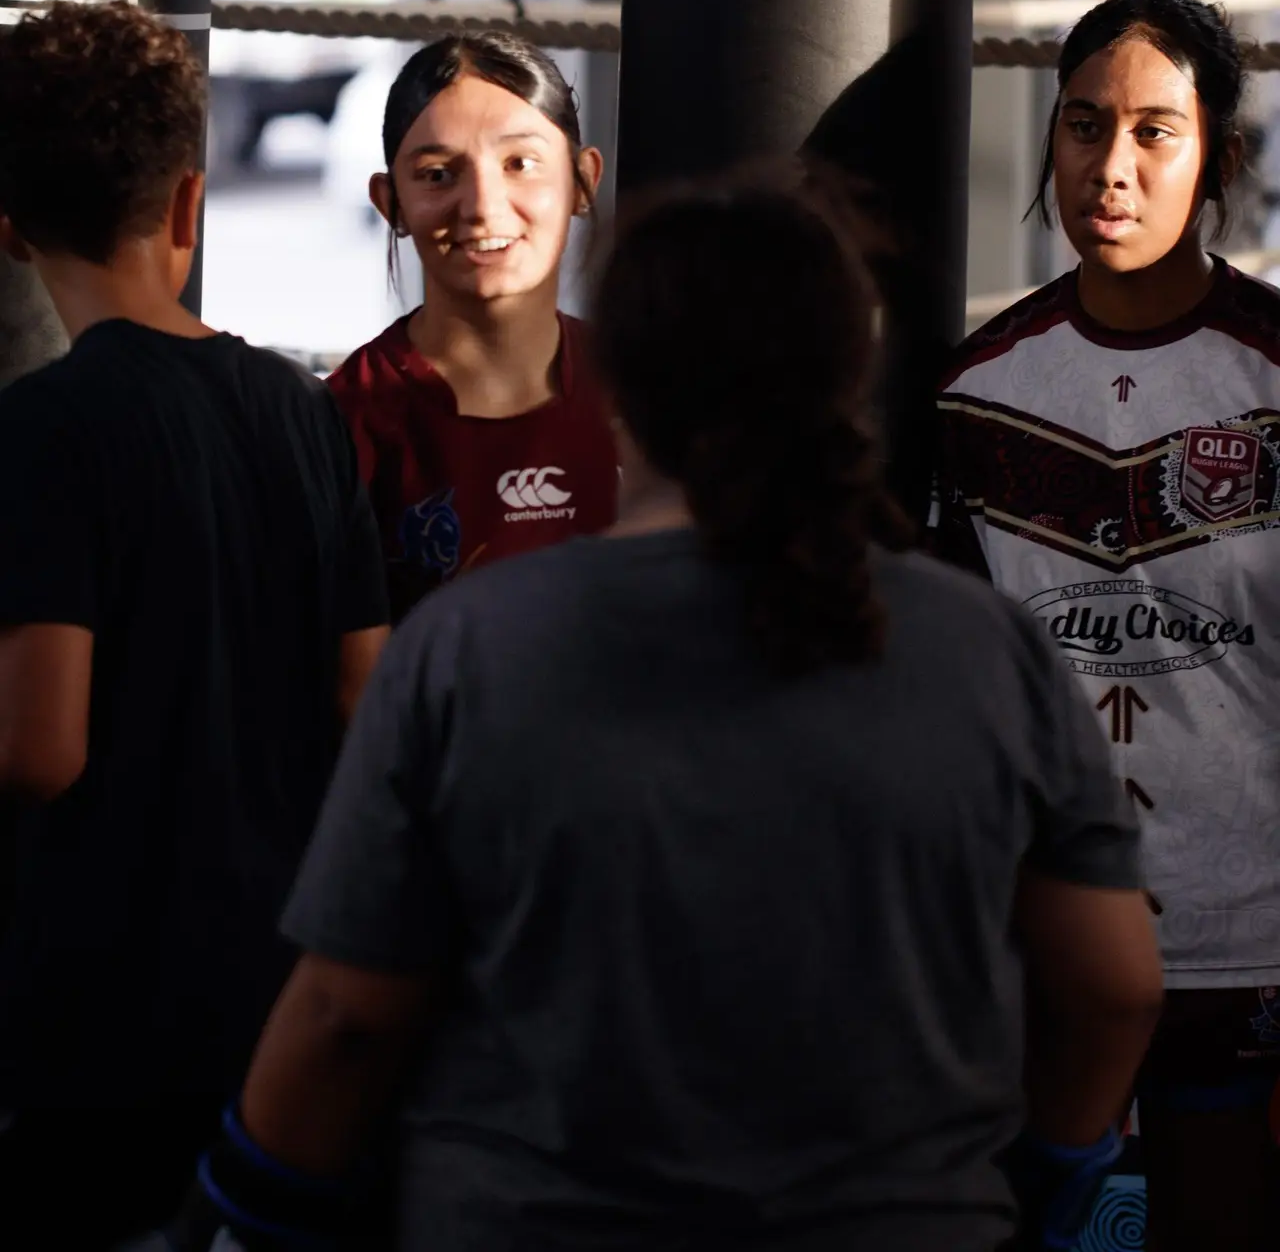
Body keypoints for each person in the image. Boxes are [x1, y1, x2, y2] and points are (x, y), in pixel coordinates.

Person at [178, 164, 1160, 1252]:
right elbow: (1113, 988)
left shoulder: (468, 649)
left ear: (619, 392)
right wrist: (1034, 1180)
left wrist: (243, 1209)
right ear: (848, 377)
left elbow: (346, 1016)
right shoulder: (991, 652)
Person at [0, 2, 390, 1250]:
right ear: (187, 203)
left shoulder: (43, 431)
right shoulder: (301, 407)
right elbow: (364, 697)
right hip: (278, 991)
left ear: (9, 229)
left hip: (99, 1013)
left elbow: (40, 749)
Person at [934, 0, 1280, 1252]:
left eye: (1151, 132)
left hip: (1249, 939)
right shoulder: (976, 391)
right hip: (1042, 936)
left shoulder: (1269, 373)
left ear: (1218, 159)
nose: (1109, 168)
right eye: (1082, 126)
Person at [328, 30, 617, 620]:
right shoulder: (347, 422)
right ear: (390, 202)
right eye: (437, 174)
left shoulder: (643, 394)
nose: (483, 206)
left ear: (583, 181)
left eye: (520, 164)